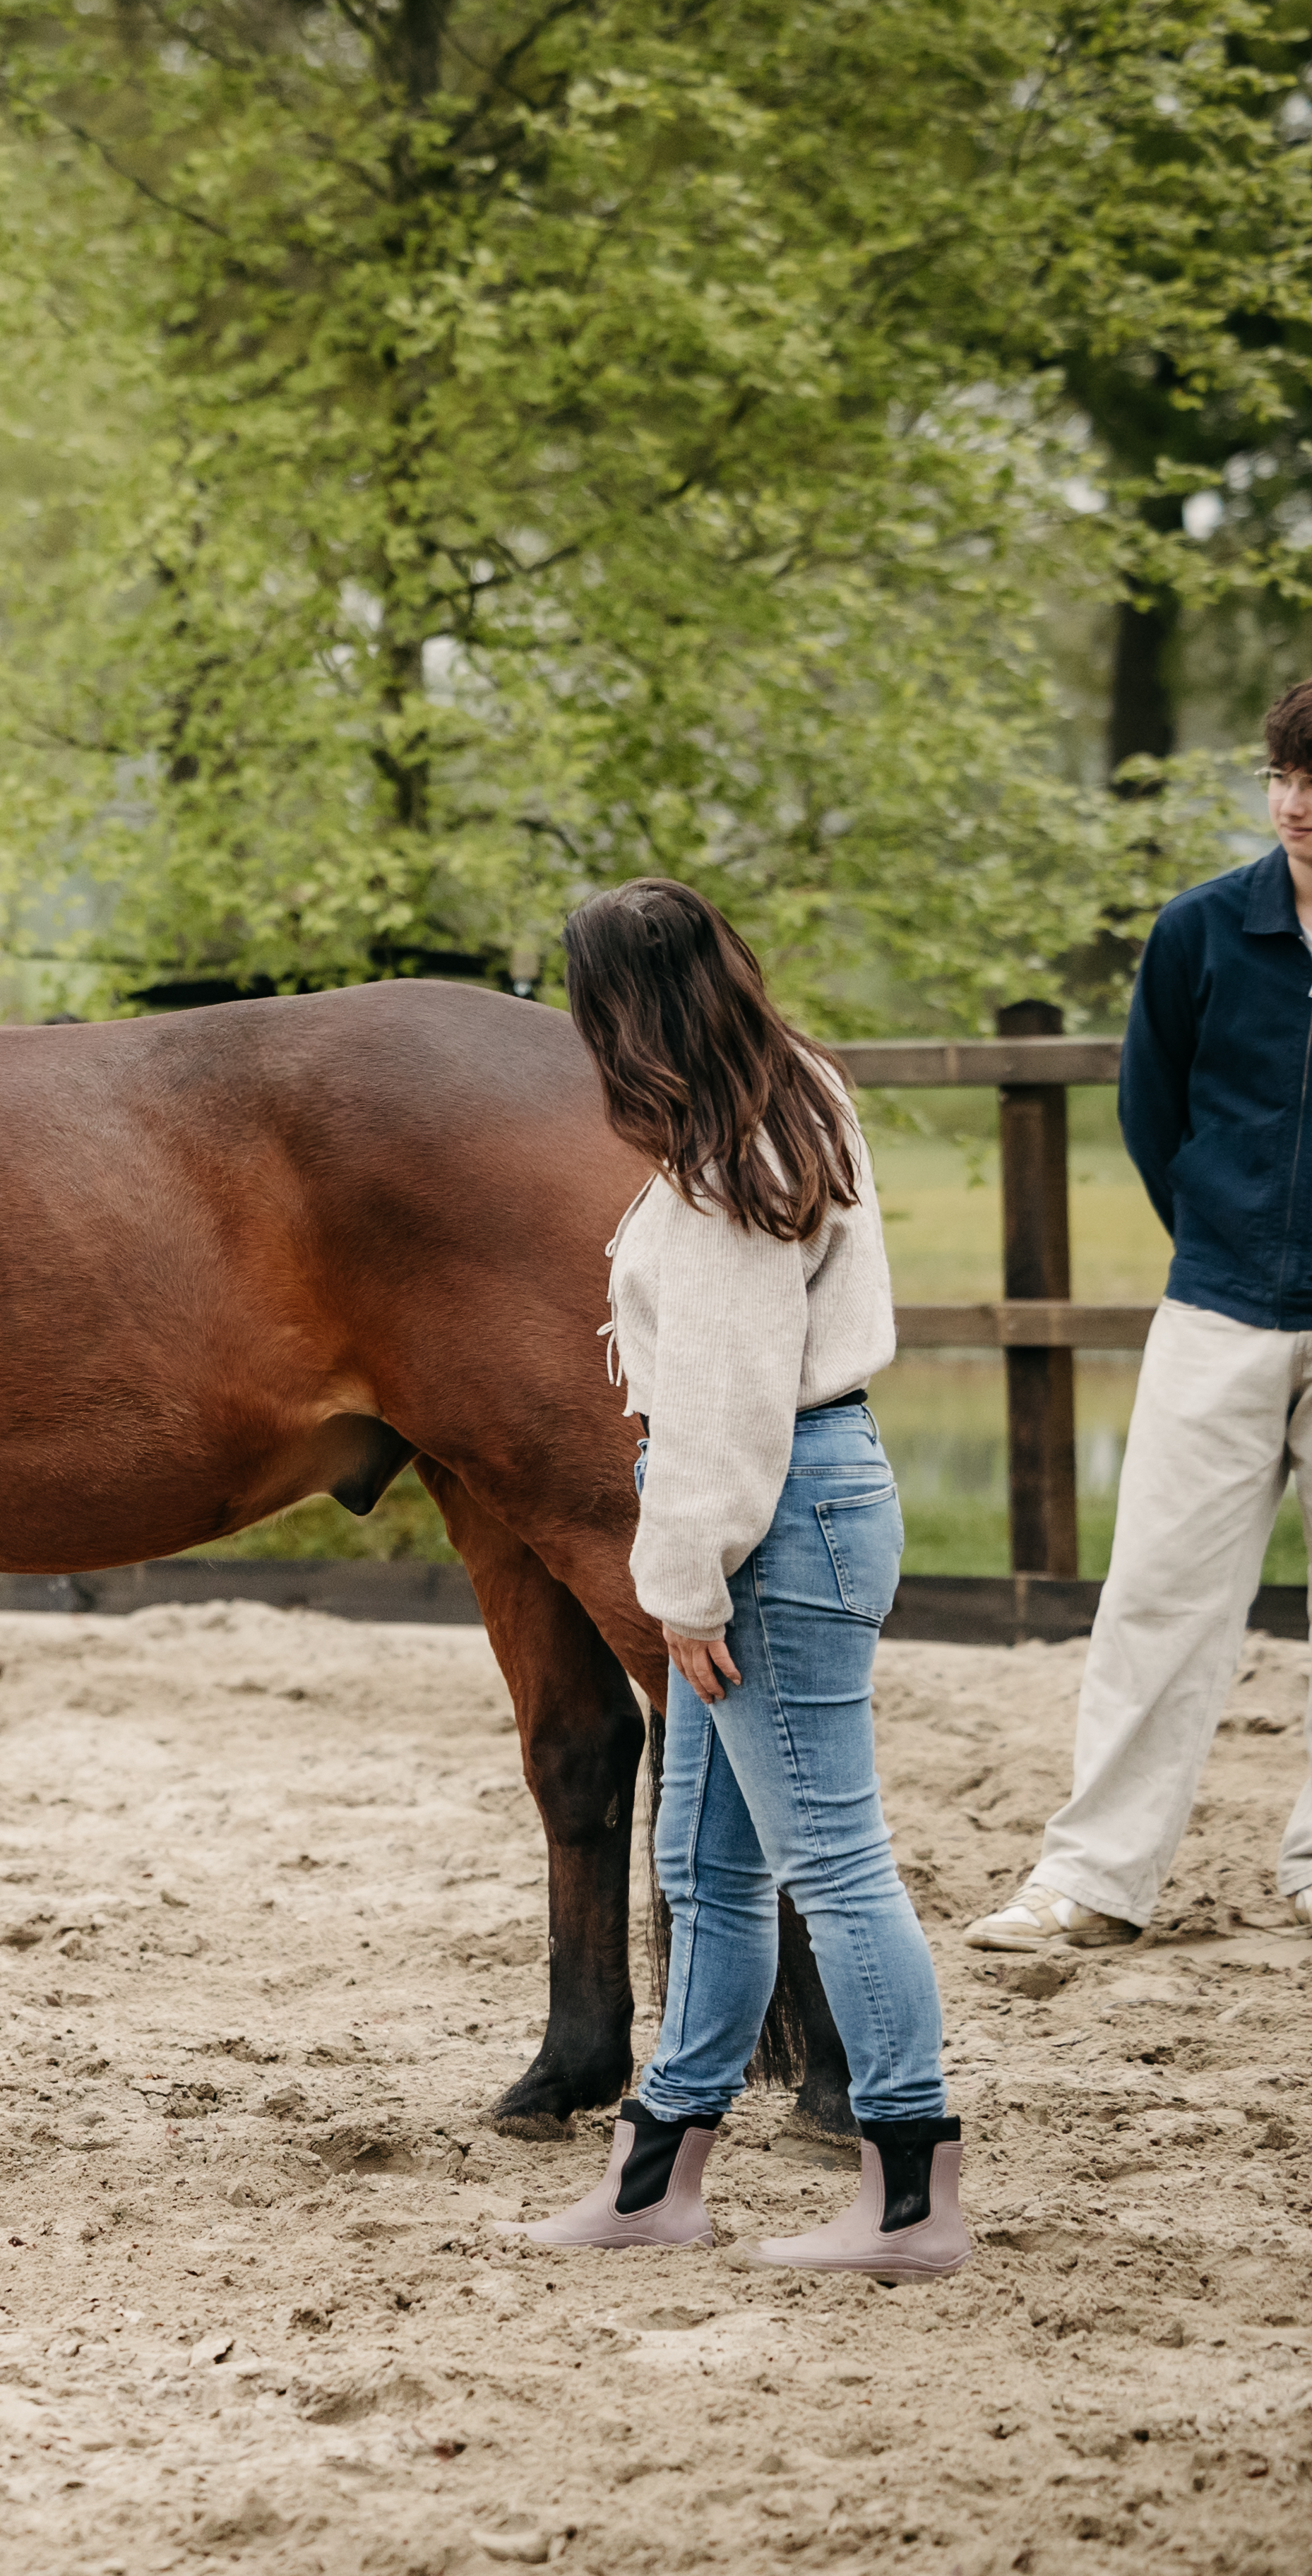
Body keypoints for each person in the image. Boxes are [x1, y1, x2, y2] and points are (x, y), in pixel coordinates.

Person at [510, 878, 967, 2277]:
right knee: (704, 1866)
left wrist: (686, 1582)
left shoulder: (726, 1164)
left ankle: (912, 2194)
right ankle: (661, 2175)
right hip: (794, 1505)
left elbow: (725, 1393)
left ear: (623, 1009)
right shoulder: (792, 1091)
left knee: (831, 1862)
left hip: (767, 1522)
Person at [969, 678, 1312, 1955]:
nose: (1296, 804)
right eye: (1283, 775)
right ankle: (1094, 1882)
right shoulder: (1204, 931)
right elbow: (1150, 1113)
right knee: (1157, 1598)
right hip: (1218, 1308)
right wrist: (1221, 1240)